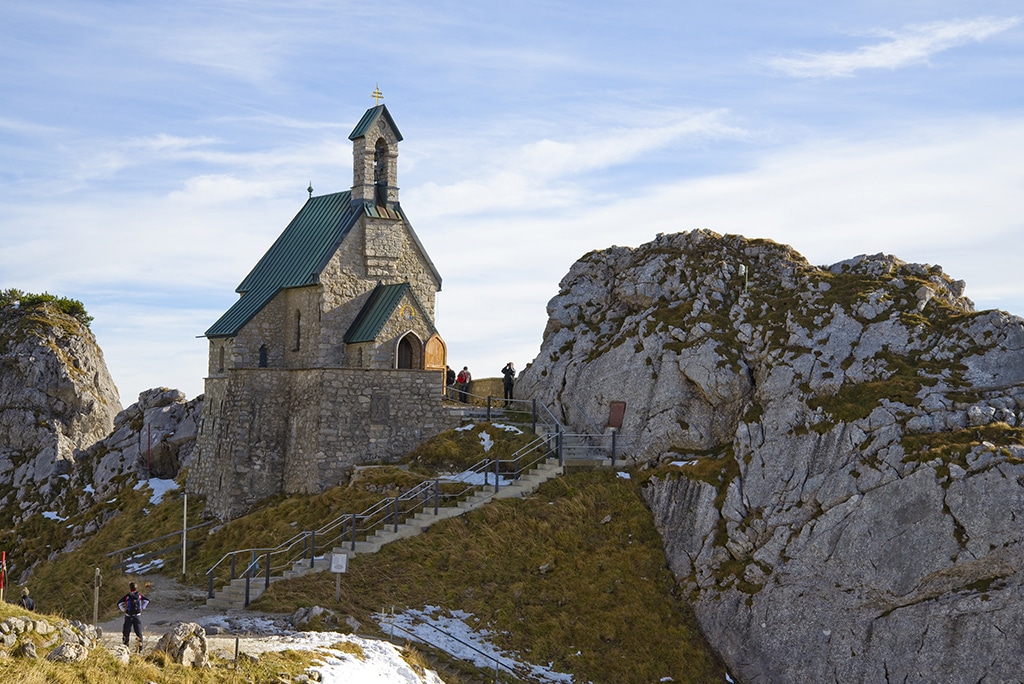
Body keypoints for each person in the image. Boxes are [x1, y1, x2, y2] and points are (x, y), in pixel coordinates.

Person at [117, 581, 150, 652]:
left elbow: (119, 603)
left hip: (128, 616)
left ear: (130, 588)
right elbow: (147, 601)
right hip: (137, 616)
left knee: (126, 632)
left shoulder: (128, 596)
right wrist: (142, 608)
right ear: (136, 588)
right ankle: (140, 649)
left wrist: (123, 609)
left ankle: (126, 647)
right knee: (138, 633)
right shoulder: (139, 595)